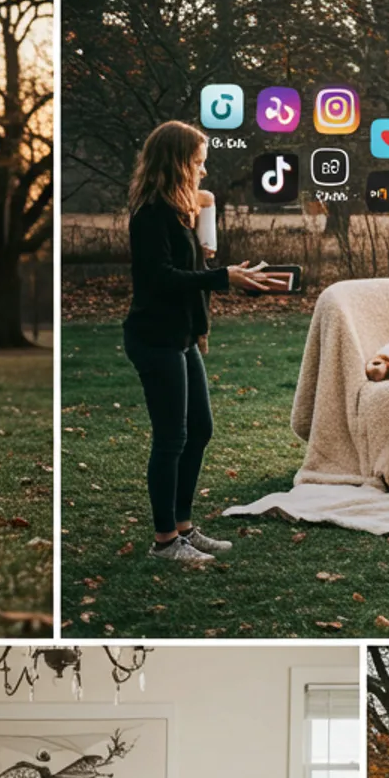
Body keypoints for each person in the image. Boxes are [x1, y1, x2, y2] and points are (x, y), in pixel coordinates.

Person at [122, 120, 289, 564]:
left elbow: (190, 279)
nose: (202, 172)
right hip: (153, 338)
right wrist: (224, 277)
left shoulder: (181, 213)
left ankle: (183, 528)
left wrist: (203, 321)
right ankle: (163, 542)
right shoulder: (150, 214)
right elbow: (161, 279)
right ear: (177, 162)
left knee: (200, 430)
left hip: (180, 338)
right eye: (197, 163)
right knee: (171, 437)